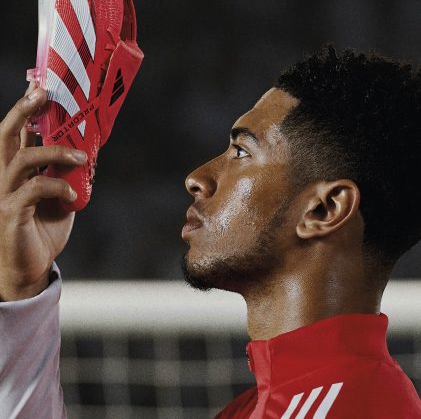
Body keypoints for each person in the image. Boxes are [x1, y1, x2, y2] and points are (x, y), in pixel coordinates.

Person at [0, 46, 420, 418]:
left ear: (324, 209)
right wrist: (24, 286)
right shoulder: (269, 404)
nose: (197, 178)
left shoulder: (343, 407)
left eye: (241, 151)